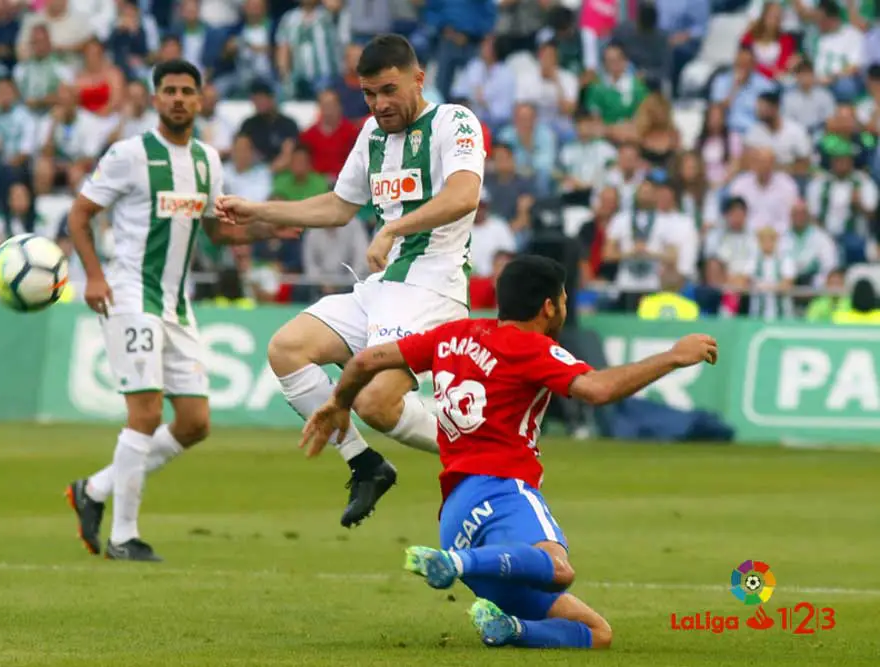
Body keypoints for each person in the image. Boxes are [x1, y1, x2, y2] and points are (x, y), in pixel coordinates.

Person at [298, 255, 718, 649]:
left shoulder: (454, 335)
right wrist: (673, 357)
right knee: (558, 569)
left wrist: (339, 403)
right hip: (501, 491)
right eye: (565, 300)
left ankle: (508, 626)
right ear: (550, 307)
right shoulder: (533, 349)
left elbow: (367, 360)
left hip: (456, 513)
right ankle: (456, 564)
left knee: (595, 632)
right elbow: (599, 389)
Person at [215, 34, 484, 528]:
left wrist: (395, 226)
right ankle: (365, 464)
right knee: (287, 349)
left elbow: (465, 194)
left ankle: (481, 457)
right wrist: (260, 210)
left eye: (388, 90)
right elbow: (339, 206)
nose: (379, 104)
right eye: (368, 94)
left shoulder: (454, 121)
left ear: (417, 79)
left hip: (433, 288)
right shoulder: (372, 136)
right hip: (380, 290)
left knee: (376, 402)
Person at [63, 59, 298, 562]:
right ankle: (124, 537)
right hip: (129, 296)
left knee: (194, 423)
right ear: (155, 99)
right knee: (145, 414)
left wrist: (268, 228)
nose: (177, 98)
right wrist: (95, 277)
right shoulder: (128, 155)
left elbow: (216, 230)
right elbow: (80, 215)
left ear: (200, 99)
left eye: (187, 91)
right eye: (168, 90)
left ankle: (95, 490)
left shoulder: (209, 161)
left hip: (177, 303)